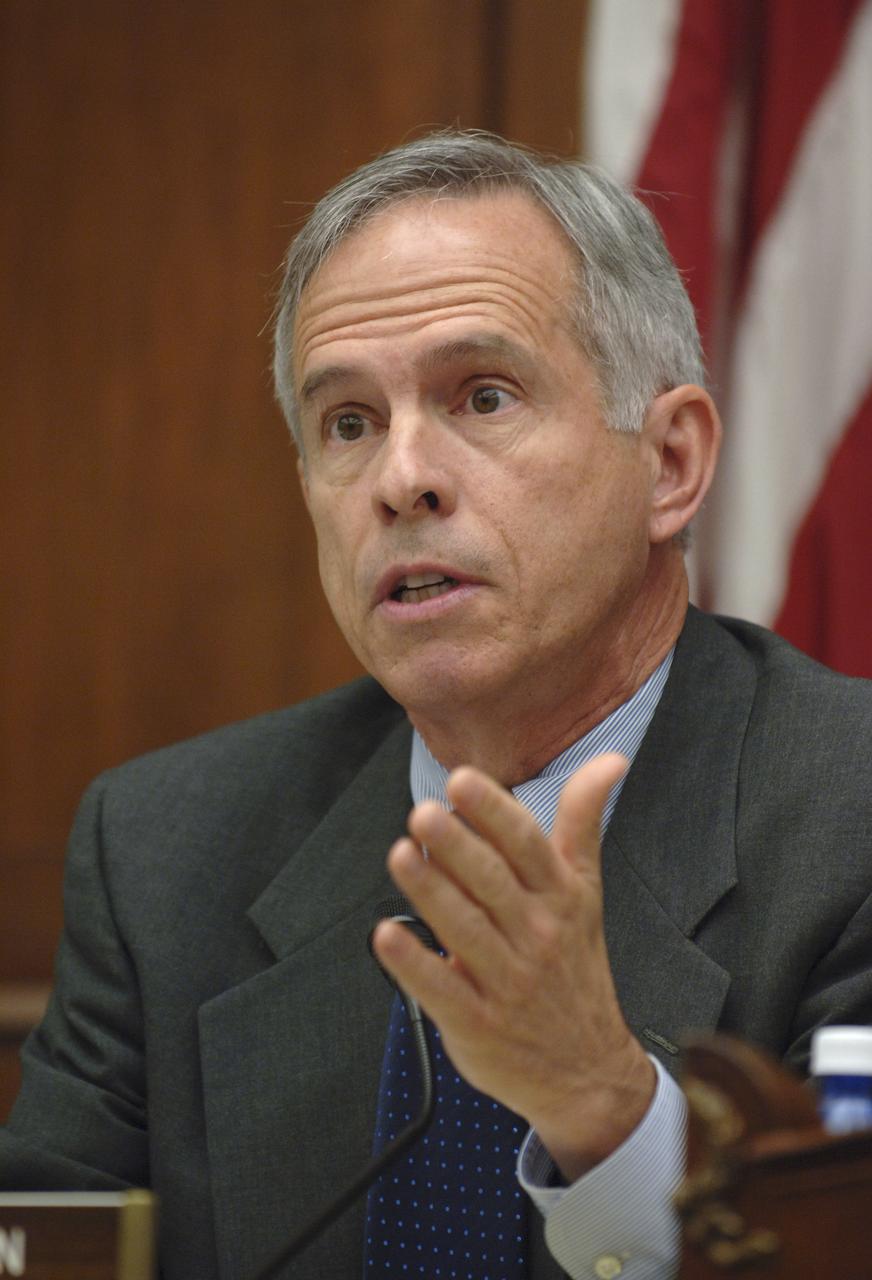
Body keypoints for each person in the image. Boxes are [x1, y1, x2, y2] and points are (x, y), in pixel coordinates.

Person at [2, 130, 871, 1280]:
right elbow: (49, 1243)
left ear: (667, 462)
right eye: (348, 422)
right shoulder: (166, 849)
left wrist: (602, 1106)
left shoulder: (847, 813)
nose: (400, 476)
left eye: (482, 395)